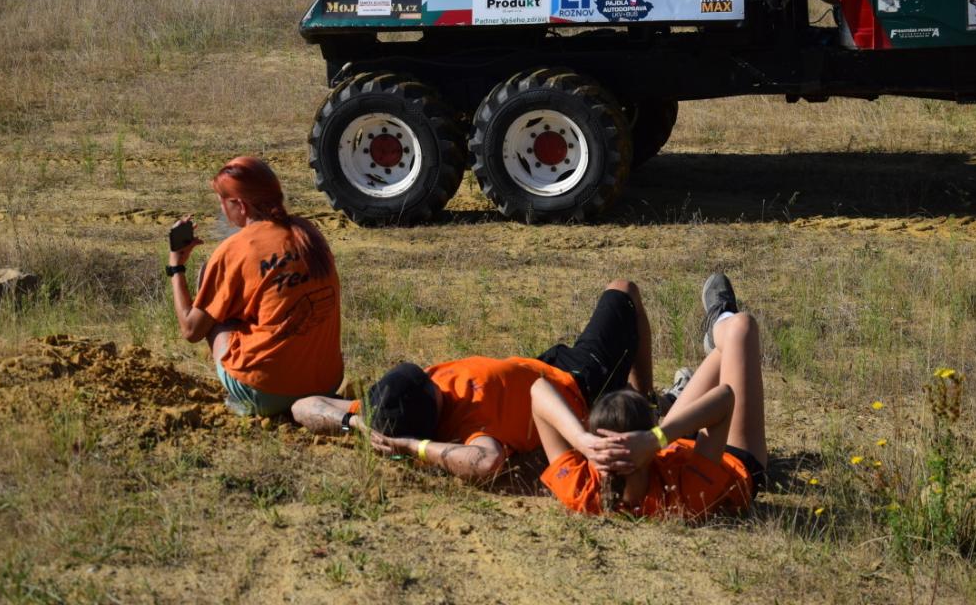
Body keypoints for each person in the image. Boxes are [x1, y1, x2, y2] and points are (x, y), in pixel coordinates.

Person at [292, 279, 654, 483]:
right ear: (431, 411)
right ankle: (646, 399)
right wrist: (411, 447)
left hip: (540, 365)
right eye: (429, 384)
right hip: (577, 382)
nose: (433, 376)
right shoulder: (472, 425)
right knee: (623, 290)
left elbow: (302, 406)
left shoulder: (386, 408)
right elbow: (485, 462)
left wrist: (356, 423)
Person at [533, 273, 767, 519]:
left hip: (675, 441)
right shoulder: (685, 497)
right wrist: (657, 438)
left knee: (734, 343)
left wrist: (581, 441)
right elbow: (725, 399)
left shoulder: (584, 491)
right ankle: (721, 319)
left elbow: (539, 390)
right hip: (727, 455)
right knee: (741, 328)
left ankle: (716, 341)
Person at [167, 156, 343, 417]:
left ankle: (248, 398)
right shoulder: (309, 233)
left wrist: (176, 267)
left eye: (222, 201)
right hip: (327, 384)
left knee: (213, 301)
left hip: (266, 392)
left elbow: (191, 330)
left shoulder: (236, 249)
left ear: (241, 205)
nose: (221, 209)